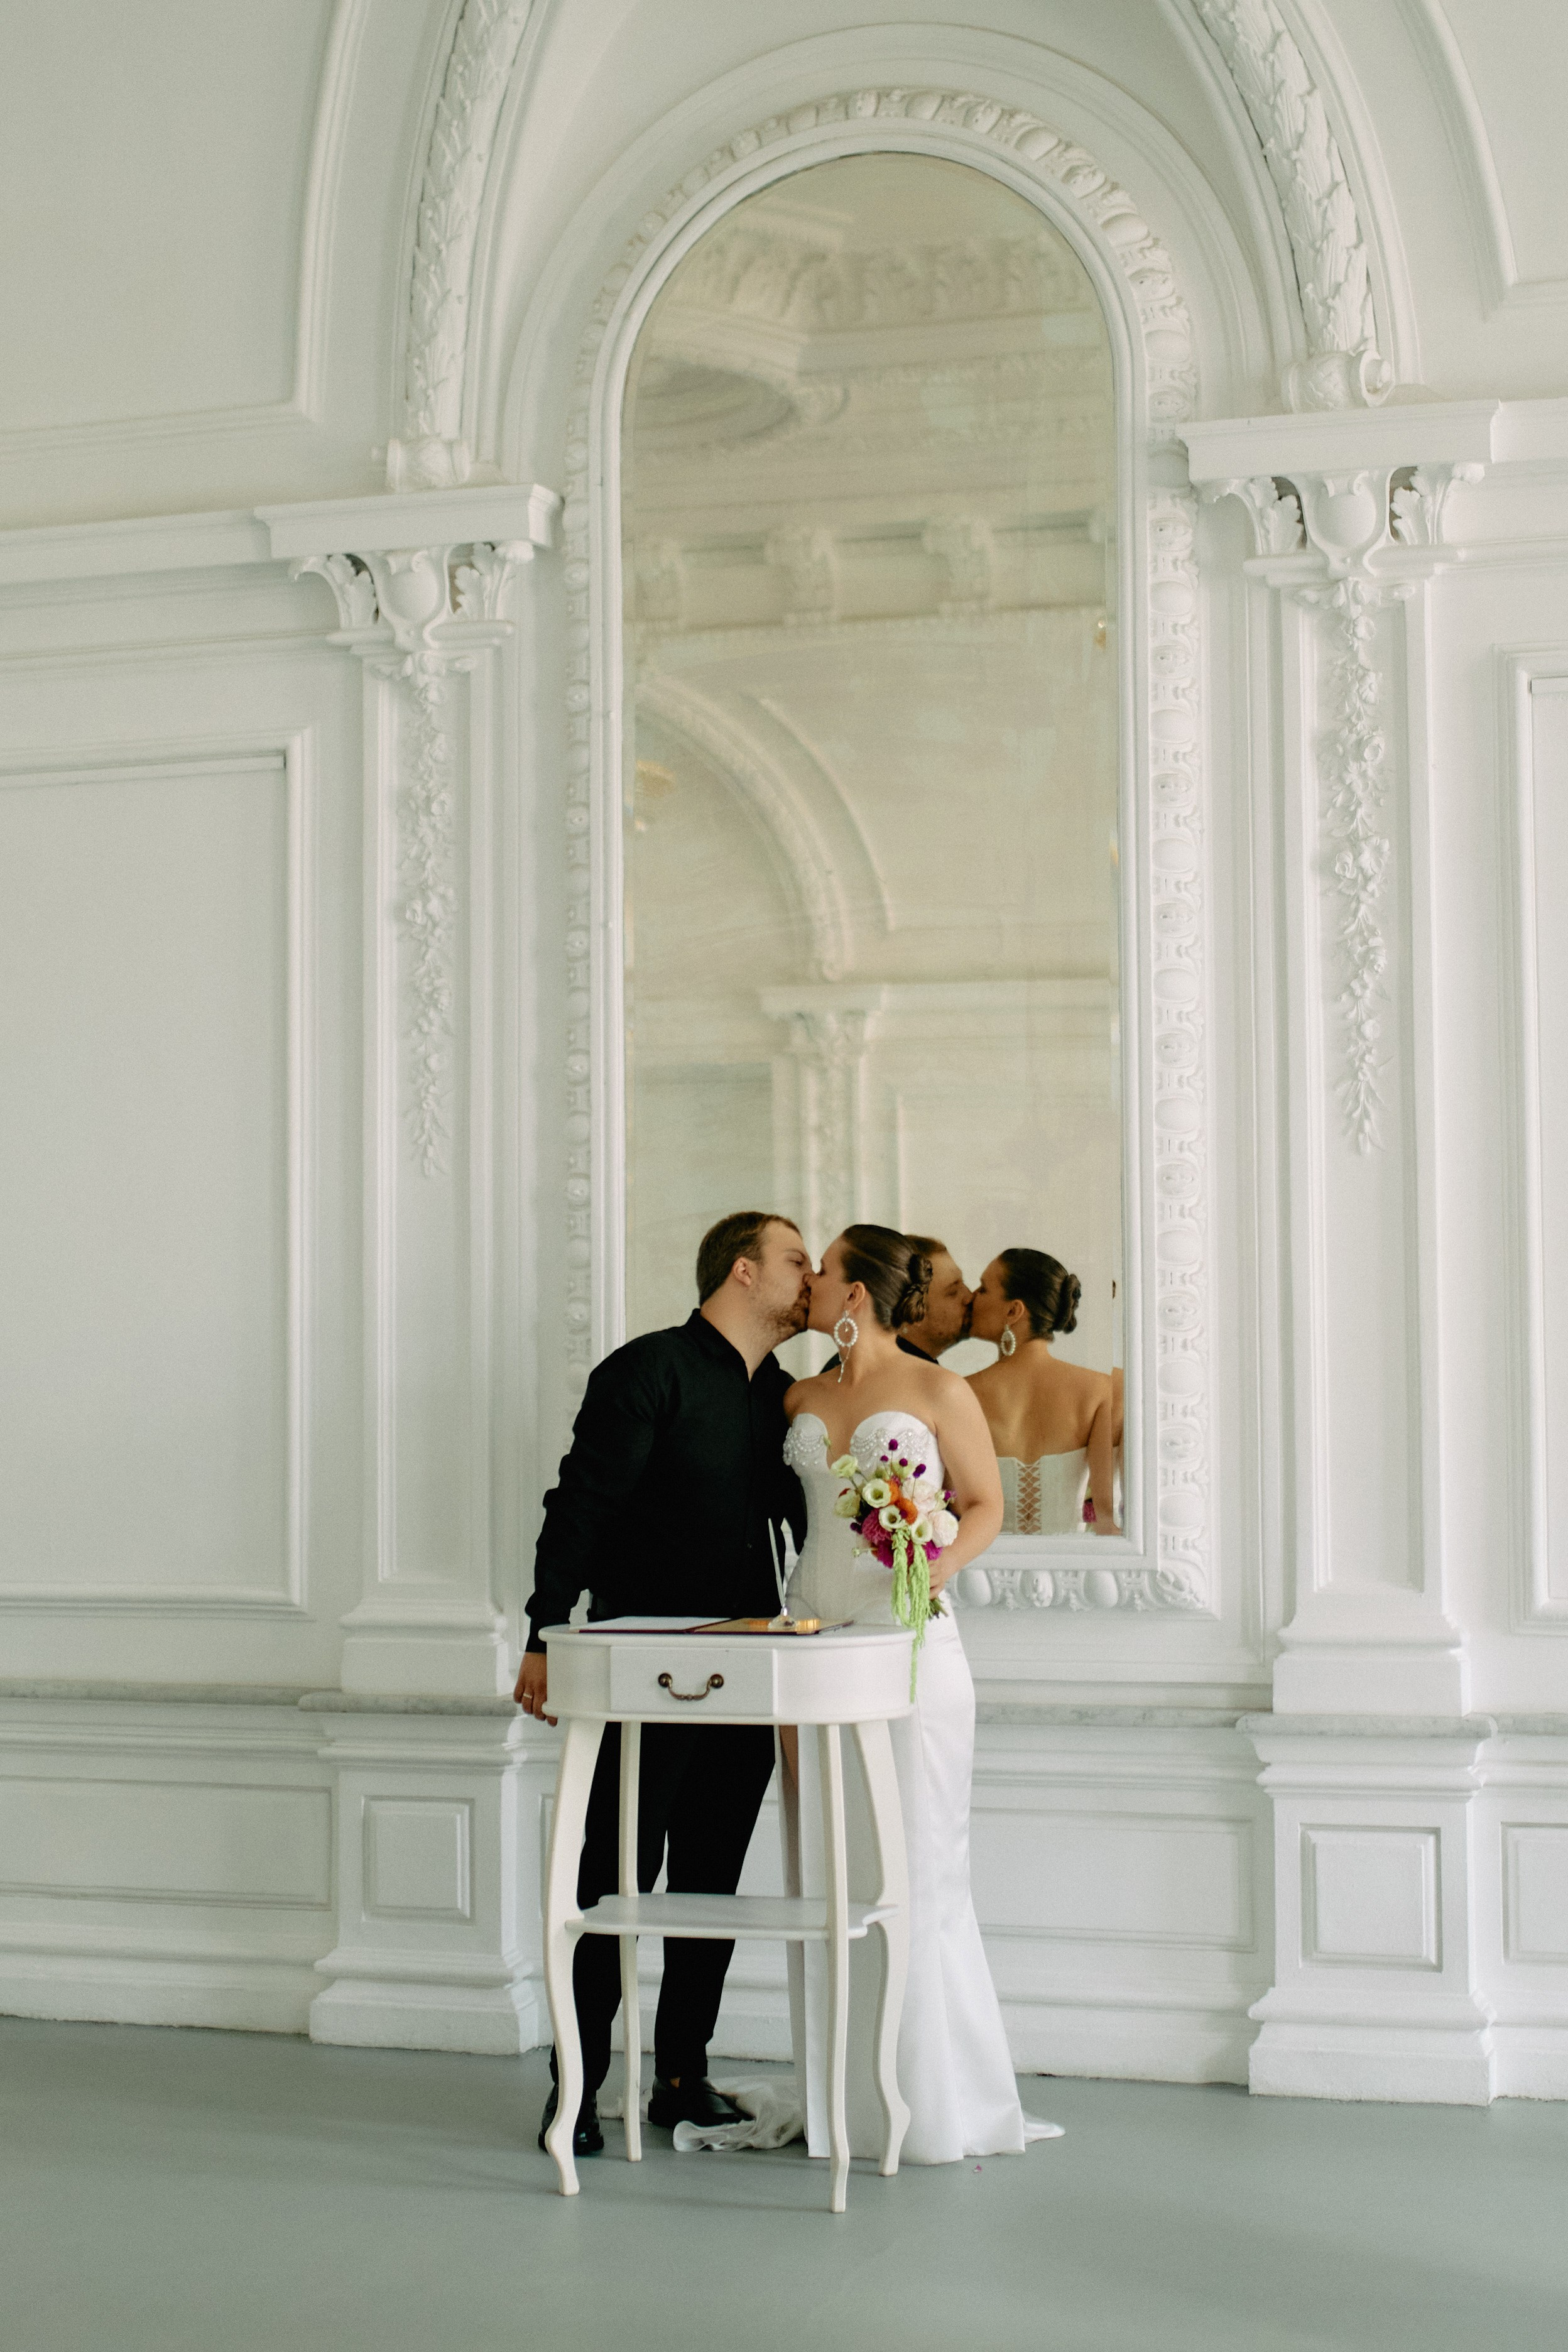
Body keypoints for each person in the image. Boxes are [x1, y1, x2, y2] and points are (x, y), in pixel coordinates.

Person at [516, 1209, 811, 2157]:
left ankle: (681, 2080)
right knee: (611, 1885)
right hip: (642, 1675)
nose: (810, 1278)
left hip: (752, 1676)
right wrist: (541, 1636)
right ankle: (574, 2092)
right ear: (742, 1271)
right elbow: (581, 1503)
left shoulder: (790, 1399)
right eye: (796, 1261)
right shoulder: (646, 1371)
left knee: (711, 1888)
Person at [782, 1224, 1060, 2160]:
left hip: (908, 1649)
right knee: (829, 1872)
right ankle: (842, 2106)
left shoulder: (941, 1390)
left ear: (856, 1294)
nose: (812, 1282)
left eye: (824, 1270)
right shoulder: (798, 1395)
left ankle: (936, 2104)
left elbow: (982, 1505)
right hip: (810, 1654)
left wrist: (929, 1567)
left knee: (918, 1871)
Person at [966, 1249, 1118, 1533]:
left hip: (980, 1571)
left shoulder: (961, 1392)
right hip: (1067, 1571)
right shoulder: (1097, 1390)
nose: (972, 1297)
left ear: (1013, 1311)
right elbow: (1106, 1517)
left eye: (984, 1289)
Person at [895, 1233, 973, 1361]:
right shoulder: (912, 1378)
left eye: (962, 1283)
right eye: (953, 1292)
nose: (969, 1297)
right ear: (911, 1311)